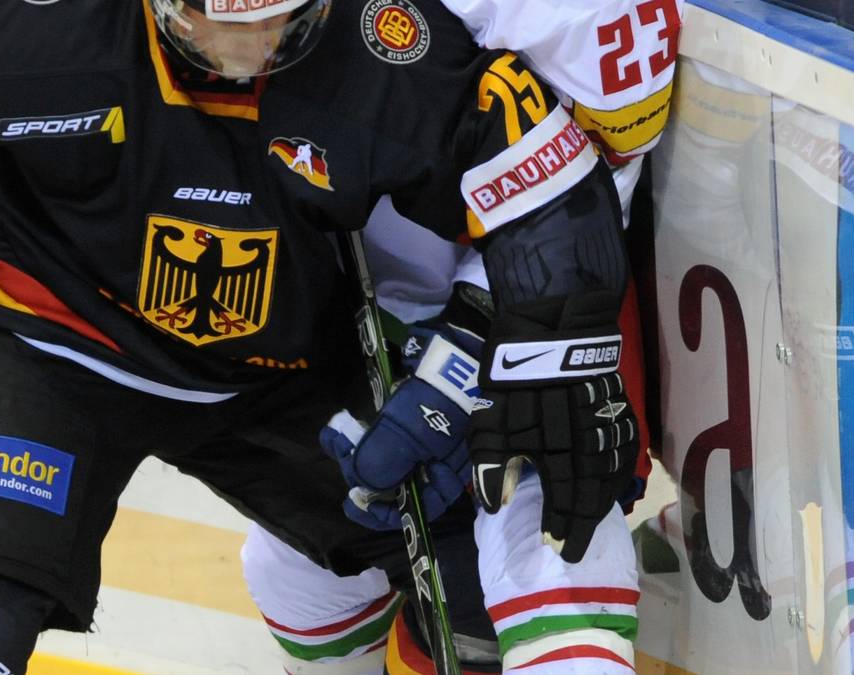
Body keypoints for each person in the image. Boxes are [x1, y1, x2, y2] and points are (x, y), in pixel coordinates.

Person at [0, 0, 639, 672]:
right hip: (42, 339)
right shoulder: (27, 22)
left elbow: (544, 175)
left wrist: (523, 352)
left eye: (279, 23)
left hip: (279, 371)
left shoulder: (379, 40)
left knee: (474, 571)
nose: (246, 52)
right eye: (210, 23)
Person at [241, 0, 682, 671]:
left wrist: (470, 344)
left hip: (528, 291)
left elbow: (590, 177)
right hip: (341, 277)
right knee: (293, 553)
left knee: (550, 528)